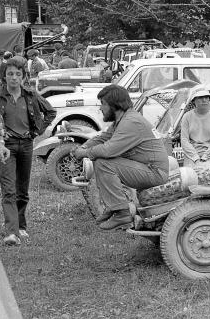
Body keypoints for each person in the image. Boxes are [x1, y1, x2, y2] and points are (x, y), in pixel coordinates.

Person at [72, 85, 169, 230]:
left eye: (103, 104)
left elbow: (108, 150)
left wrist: (85, 153)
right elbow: (102, 138)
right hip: (147, 169)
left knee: (103, 162)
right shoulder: (123, 120)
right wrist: (82, 147)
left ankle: (122, 213)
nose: (100, 108)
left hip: (155, 172)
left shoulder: (131, 122)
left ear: (115, 104)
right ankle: (114, 207)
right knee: (101, 161)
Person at [0, 58, 56, 245]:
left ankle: (21, 227)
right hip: (5, 147)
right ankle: (11, 233)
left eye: (18, 74)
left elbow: (50, 112)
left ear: (23, 76)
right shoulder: (0, 97)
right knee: (8, 190)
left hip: (26, 144)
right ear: (4, 76)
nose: (14, 78)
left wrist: (37, 131)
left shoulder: (30, 95)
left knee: (22, 190)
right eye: (10, 74)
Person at [180, 89, 210, 167]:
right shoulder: (187, 116)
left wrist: (205, 157)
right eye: (200, 97)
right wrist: (195, 158)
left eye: (206, 97)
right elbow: (184, 140)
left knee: (208, 173)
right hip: (192, 153)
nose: (204, 100)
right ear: (194, 101)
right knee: (189, 174)